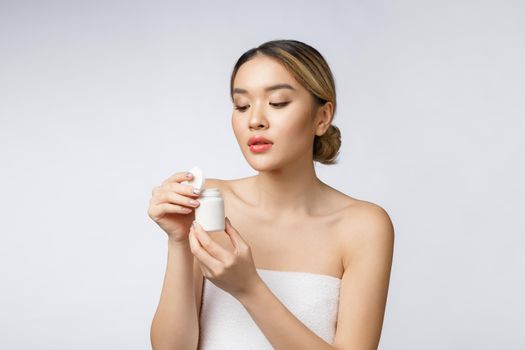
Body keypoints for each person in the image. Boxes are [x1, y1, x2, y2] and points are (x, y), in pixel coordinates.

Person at [148, 39, 395, 350]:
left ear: (322, 117)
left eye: (277, 103)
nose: (255, 120)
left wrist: (249, 288)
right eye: (241, 105)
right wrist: (179, 241)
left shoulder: (363, 226)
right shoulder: (212, 200)